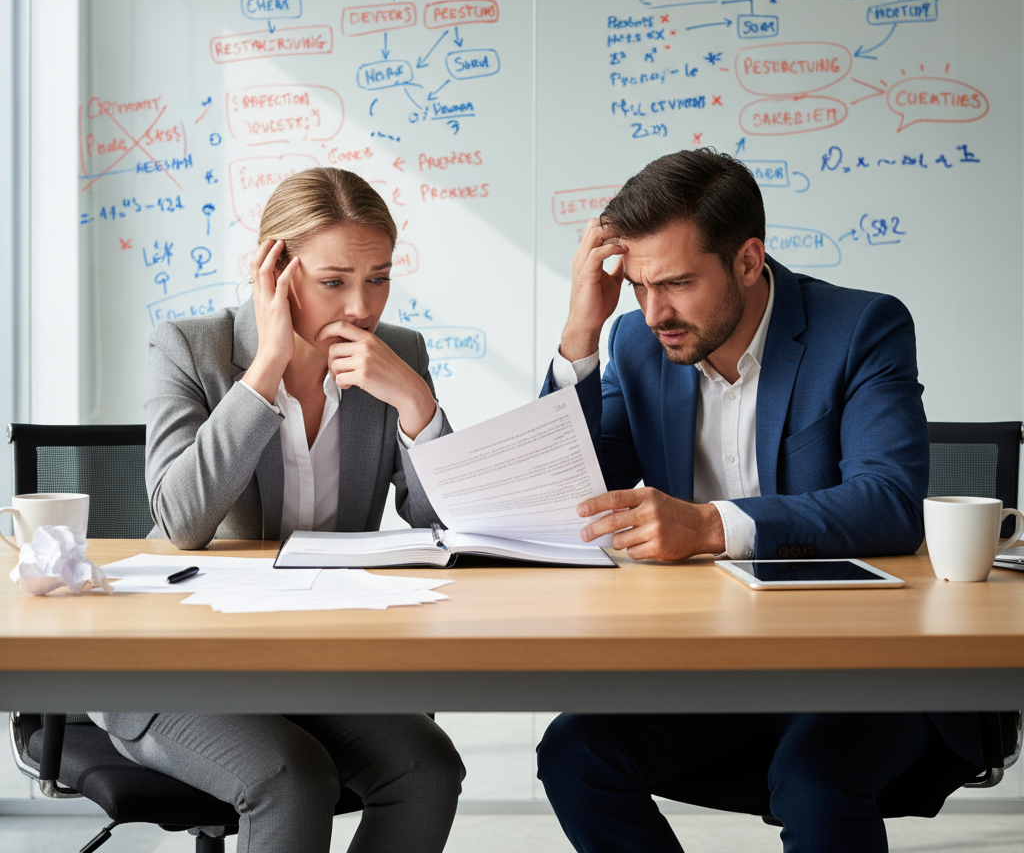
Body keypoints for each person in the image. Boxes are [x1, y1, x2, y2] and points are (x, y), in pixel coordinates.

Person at [535, 149, 986, 853]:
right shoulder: (634, 341)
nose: (656, 312)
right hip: (714, 664)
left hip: (856, 665)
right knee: (574, 753)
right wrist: (579, 335)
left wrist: (710, 525)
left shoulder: (862, 329)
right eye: (640, 287)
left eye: (679, 283)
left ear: (748, 260)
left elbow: (891, 501)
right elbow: (569, 497)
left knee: (813, 776)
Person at [89, 167, 464, 853]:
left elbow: (444, 523)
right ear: (275, 269)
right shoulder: (190, 348)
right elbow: (181, 519)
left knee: (428, 768)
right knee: (292, 777)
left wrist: (417, 404)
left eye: (378, 277)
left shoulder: (398, 355)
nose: (362, 305)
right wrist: (265, 368)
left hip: (320, 661)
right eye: (334, 280)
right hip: (179, 666)